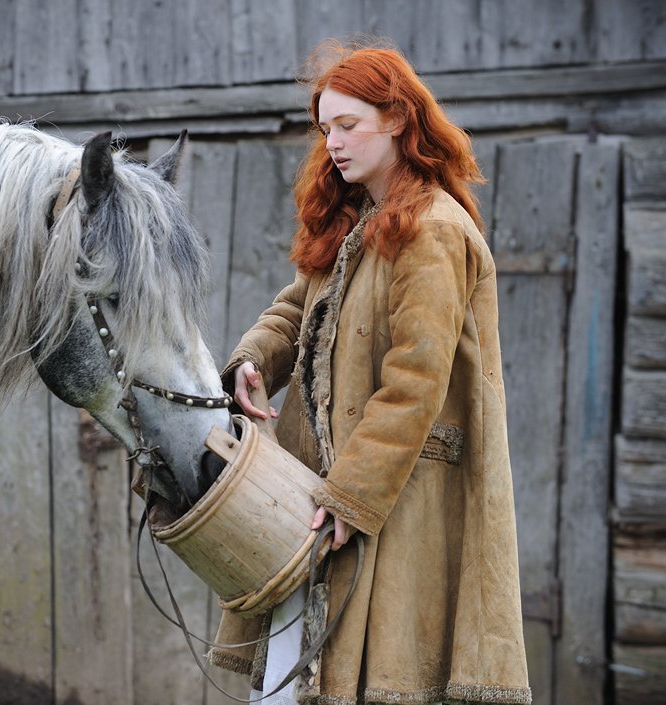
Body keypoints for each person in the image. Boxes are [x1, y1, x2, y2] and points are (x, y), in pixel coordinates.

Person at [207, 41, 532, 705]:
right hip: (315, 496)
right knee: (286, 687)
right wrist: (250, 359)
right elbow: (293, 308)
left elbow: (417, 378)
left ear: (397, 119)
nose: (333, 144)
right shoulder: (352, 221)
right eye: (326, 129)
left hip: (397, 504)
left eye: (348, 125)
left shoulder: (434, 229)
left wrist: (351, 497)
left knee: (375, 682)